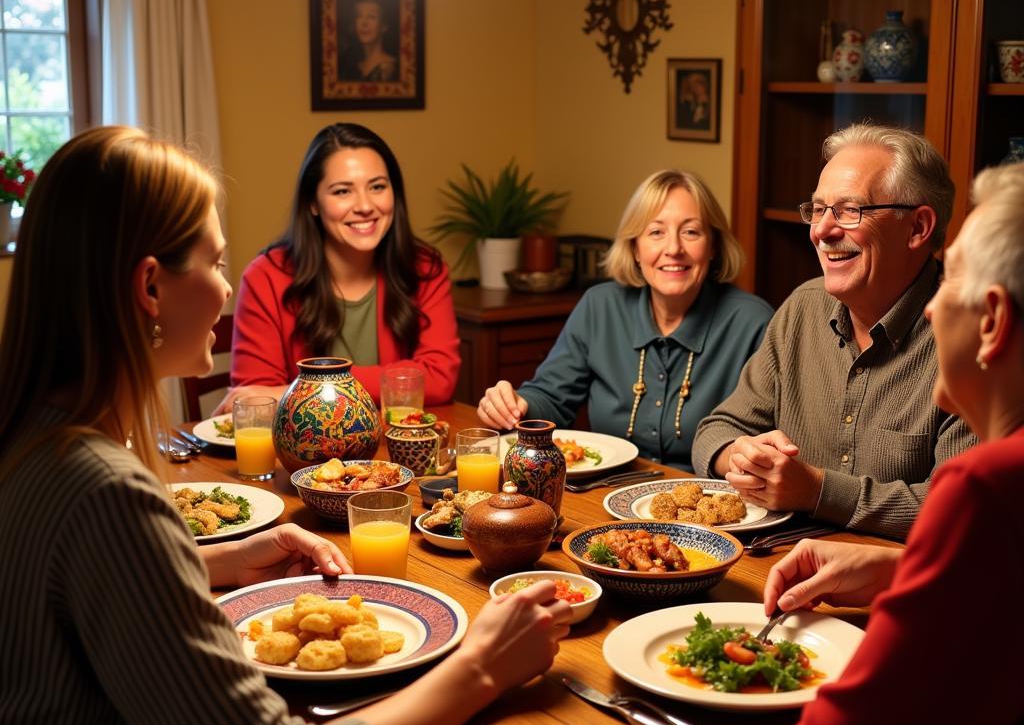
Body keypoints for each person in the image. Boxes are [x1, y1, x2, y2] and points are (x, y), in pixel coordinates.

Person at [0, 126, 572, 725]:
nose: (229, 287)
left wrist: (214, 559)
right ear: (148, 287)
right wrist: (482, 665)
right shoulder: (106, 492)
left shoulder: (33, 444)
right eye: (213, 262)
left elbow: (81, 595)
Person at [766, 163, 1024, 725]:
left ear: (994, 320)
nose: (936, 310)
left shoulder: (987, 488)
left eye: (954, 286)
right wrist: (903, 571)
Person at [692, 124, 975, 539]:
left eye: (848, 210)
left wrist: (818, 492)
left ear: (918, 228)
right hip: (773, 561)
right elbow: (715, 430)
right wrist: (741, 455)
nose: (821, 231)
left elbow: (962, 509)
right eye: (818, 209)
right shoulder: (803, 308)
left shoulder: (969, 336)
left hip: (894, 583)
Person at [477, 170, 773, 471]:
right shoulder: (599, 306)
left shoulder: (753, 323)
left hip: (706, 505)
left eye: (691, 232)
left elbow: (762, 440)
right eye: (656, 232)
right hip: (602, 492)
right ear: (635, 248)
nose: (673, 249)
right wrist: (517, 404)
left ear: (713, 246)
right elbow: (552, 397)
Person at [220, 123, 460, 412]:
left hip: (394, 450)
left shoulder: (424, 268)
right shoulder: (265, 278)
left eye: (377, 187)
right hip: (302, 456)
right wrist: (396, 379)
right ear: (313, 203)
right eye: (343, 191)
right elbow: (257, 403)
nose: (364, 206)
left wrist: (305, 387)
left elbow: (438, 379)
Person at [339, 0, 398, 82]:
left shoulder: (389, 69)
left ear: (384, 26)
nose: (364, 23)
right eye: (359, 16)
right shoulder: (351, 65)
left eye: (371, 17)